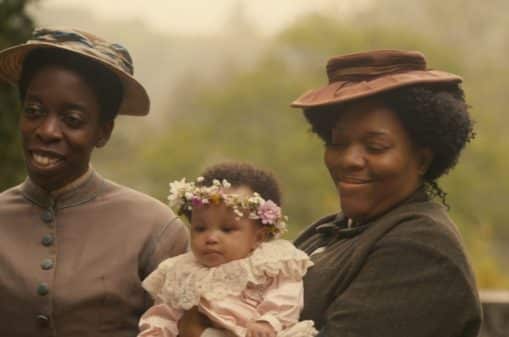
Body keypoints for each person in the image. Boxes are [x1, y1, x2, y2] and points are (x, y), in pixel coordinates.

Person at [0, 27, 188, 337]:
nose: (47, 130)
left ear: (103, 131)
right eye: (34, 111)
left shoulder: (155, 230)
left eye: (72, 120)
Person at [289, 50, 482, 337]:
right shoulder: (328, 230)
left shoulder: (420, 249)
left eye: (375, 147)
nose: (349, 159)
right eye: (338, 142)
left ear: (422, 160)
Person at [138, 162, 317, 337]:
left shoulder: (268, 263)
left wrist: (269, 321)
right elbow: (164, 314)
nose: (211, 238)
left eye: (227, 229)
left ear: (259, 237)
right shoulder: (181, 271)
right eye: (200, 228)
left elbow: (286, 293)